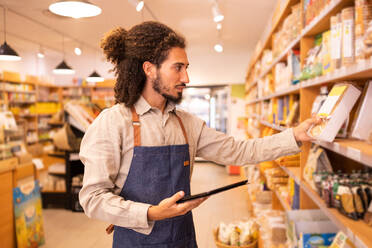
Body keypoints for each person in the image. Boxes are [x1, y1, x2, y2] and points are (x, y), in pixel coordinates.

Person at [79, 21, 318, 248]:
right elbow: (93, 197)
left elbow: (240, 150)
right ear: (149, 69)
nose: (186, 78)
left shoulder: (186, 124)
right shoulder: (113, 123)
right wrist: (151, 213)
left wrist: (294, 136)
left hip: (183, 239)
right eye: (178, 68)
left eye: (186, 68)